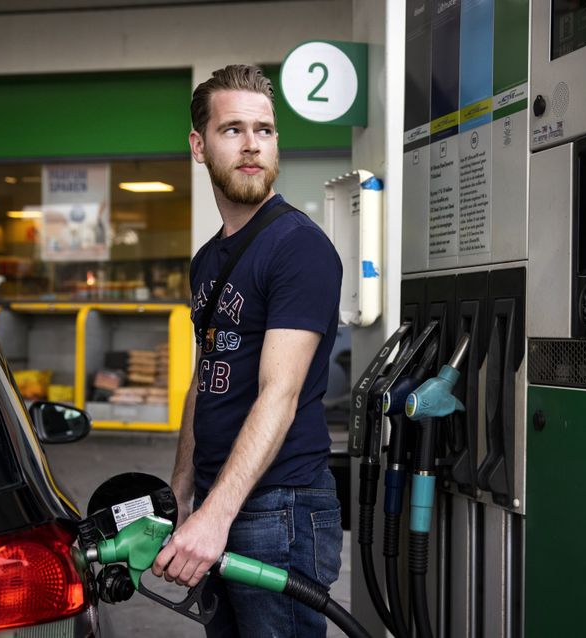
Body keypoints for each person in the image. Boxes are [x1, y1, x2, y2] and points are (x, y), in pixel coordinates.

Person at [151, 64, 344, 637]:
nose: (253, 144)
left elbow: (279, 395)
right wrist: (181, 494)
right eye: (232, 129)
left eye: (265, 129)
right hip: (220, 498)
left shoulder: (298, 248)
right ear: (198, 145)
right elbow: (205, 378)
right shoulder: (208, 259)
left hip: (279, 508)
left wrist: (216, 515)